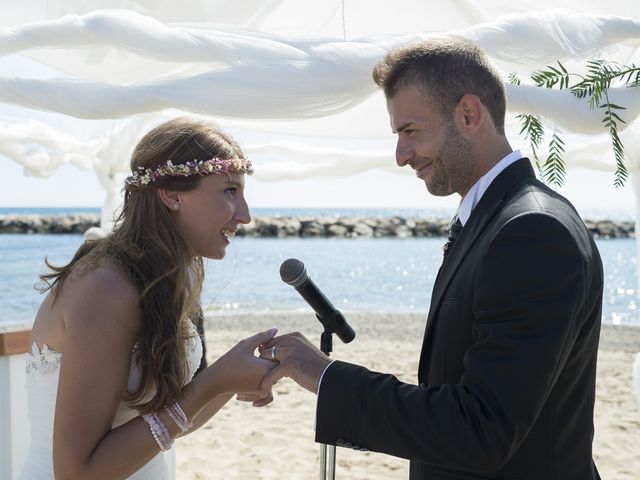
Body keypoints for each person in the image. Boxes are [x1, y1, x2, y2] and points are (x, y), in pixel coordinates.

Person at [259, 37, 603, 479]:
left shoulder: (532, 231)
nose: (401, 156)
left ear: (468, 114)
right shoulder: (495, 219)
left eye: (410, 132)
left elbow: (481, 428)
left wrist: (324, 377)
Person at [19, 117, 277, 479]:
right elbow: (75, 473)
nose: (246, 216)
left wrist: (229, 381)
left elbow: (169, 421)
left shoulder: (170, 278)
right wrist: (214, 381)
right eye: (230, 191)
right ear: (171, 195)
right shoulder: (105, 289)